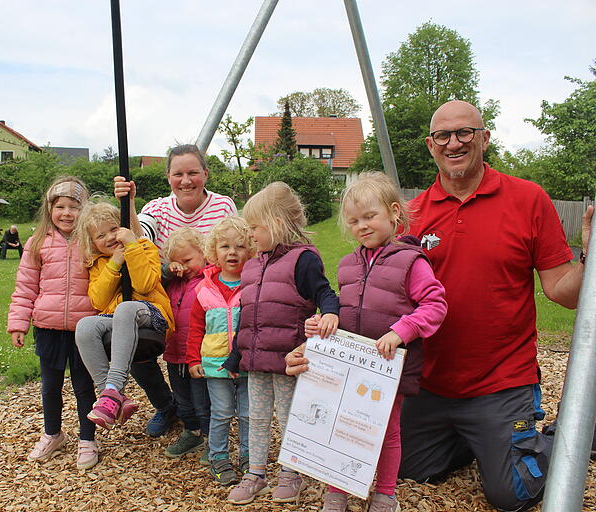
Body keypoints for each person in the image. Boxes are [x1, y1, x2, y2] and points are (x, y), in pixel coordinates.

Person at [287, 100, 593, 511]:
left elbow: (563, 293)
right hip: (426, 382)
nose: (454, 143)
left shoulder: (528, 199)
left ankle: (563, 437)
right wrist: (322, 350)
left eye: (465, 132)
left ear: (484, 138)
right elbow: (371, 303)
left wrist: (589, 258)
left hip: (500, 381)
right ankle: (476, 441)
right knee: (409, 469)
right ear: (431, 145)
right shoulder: (409, 217)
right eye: (443, 136)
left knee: (509, 495)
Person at [293, 172, 448, 512]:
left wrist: (402, 330)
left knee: (386, 430)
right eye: (353, 221)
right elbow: (347, 312)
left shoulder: (412, 261)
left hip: (388, 368)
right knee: (340, 424)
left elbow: (436, 305)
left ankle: (386, 492)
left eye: (369, 216)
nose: (361, 226)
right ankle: (338, 489)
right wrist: (323, 324)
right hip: (347, 366)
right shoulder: (348, 265)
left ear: (394, 213)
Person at [223, 182, 340, 505]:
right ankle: (256, 474)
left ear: (276, 222)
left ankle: (291, 473)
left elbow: (325, 294)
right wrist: (236, 355)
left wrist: (330, 315)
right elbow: (247, 315)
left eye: (255, 227)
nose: (251, 235)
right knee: (256, 417)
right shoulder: (252, 265)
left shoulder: (303, 261)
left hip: (289, 360)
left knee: (291, 418)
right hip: (257, 361)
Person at [113, 143, 237, 437]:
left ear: (205, 174)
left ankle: (206, 420)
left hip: (205, 295)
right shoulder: (156, 208)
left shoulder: (222, 206)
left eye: (193, 172)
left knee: (199, 357)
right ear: (168, 177)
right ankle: (166, 406)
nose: (186, 180)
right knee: (136, 344)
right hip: (162, 295)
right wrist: (129, 202)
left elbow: (229, 252)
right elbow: (140, 237)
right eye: (178, 174)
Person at [7, 176, 101, 470]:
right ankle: (53, 433)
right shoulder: (37, 243)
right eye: (60, 207)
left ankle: (88, 438)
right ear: (50, 209)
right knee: (50, 386)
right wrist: (19, 323)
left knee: (84, 385)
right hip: (47, 326)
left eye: (74, 207)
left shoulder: (92, 241)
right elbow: (25, 287)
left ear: (84, 210)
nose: (66, 213)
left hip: (84, 328)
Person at [74, 202, 175, 429]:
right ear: (92, 242)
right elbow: (98, 301)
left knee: (126, 308)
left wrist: (131, 248)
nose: (110, 237)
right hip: (120, 321)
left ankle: (114, 389)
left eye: (113, 229)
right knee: (85, 326)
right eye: (101, 235)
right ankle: (110, 396)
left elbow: (146, 284)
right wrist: (114, 264)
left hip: (152, 316)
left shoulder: (144, 248)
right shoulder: (98, 263)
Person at [186, 216, 257, 486]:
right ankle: (218, 455)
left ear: (250, 251)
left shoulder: (253, 285)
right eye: (225, 247)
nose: (232, 252)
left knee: (249, 413)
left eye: (240, 246)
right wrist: (193, 358)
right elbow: (195, 327)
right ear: (214, 252)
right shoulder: (204, 289)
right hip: (215, 364)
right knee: (222, 412)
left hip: (249, 362)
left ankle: (250, 455)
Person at [161, 227, 212, 462]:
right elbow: (155, 278)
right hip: (174, 352)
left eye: (188, 260)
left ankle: (213, 439)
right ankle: (191, 432)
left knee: (203, 400)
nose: (183, 266)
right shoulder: (173, 283)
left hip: (200, 353)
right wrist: (169, 270)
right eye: (177, 262)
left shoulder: (209, 280)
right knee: (182, 398)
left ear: (203, 253)